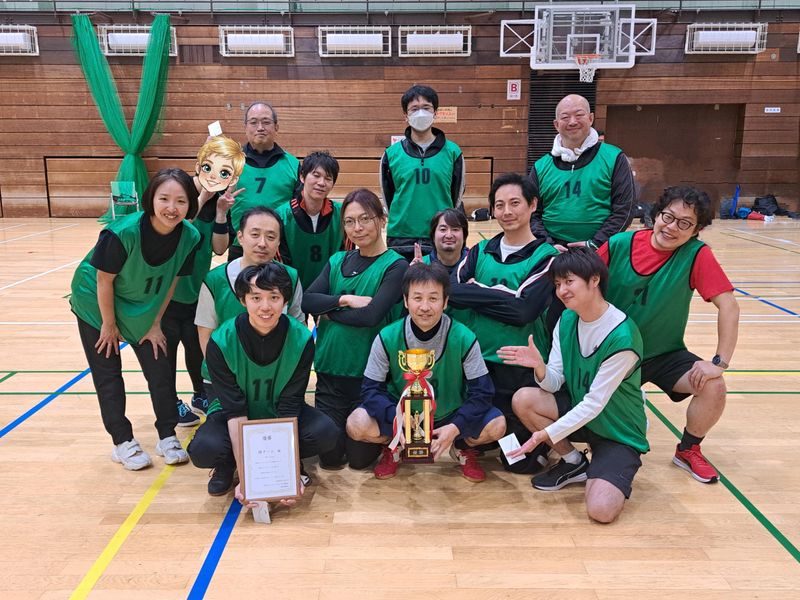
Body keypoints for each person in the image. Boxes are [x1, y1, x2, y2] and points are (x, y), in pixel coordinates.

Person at [598, 185, 739, 484]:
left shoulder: (696, 255)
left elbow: (729, 306)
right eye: (668, 216)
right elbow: (582, 287)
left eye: (685, 223)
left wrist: (719, 362)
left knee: (713, 386)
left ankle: (688, 449)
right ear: (656, 214)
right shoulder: (619, 245)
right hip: (611, 354)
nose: (672, 227)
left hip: (663, 354)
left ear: (697, 231)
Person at [498, 249, 648, 523]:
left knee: (601, 510)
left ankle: (606, 464)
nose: (562, 291)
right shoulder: (567, 319)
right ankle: (574, 463)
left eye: (569, 281)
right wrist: (539, 366)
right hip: (584, 417)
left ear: (594, 280)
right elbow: (555, 381)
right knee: (524, 399)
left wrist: (544, 435)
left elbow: (594, 404)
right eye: (557, 284)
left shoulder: (622, 337)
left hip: (617, 431)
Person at [70, 168, 201, 470]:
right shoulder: (122, 233)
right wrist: (109, 325)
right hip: (96, 302)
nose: (172, 208)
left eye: (181, 201)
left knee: (159, 367)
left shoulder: (190, 237)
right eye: (164, 198)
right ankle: (122, 441)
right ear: (150, 198)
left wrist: (154, 323)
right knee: (108, 372)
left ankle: (167, 435)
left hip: (140, 304)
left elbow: (171, 281)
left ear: (190, 204)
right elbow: (104, 280)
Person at [188, 263, 338, 496]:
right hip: (233, 415)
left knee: (326, 433)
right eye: (256, 298)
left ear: (285, 300)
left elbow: (290, 405)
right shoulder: (221, 341)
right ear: (243, 300)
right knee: (204, 449)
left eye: (274, 297)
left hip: (279, 412)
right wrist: (248, 481)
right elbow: (235, 411)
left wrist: (287, 472)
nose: (265, 307)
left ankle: (283, 462)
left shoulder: (301, 339)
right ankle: (229, 463)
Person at [347, 263, 505, 481]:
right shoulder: (387, 336)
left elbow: (482, 392)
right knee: (356, 423)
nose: (424, 307)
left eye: (433, 298)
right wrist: (397, 420)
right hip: (402, 414)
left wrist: (456, 427)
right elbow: (370, 390)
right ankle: (394, 446)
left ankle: (461, 447)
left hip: (449, 414)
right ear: (406, 301)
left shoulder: (464, 337)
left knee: (497, 425)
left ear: (445, 302)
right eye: (417, 298)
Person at [447, 173, 560, 474]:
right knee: (471, 434)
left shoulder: (547, 257)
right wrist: (507, 295)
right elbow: (453, 292)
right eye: (499, 205)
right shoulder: (479, 251)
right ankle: (484, 440)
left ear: (532, 205)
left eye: (514, 203)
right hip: (479, 363)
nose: (506, 212)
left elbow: (524, 312)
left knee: (521, 464)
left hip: (519, 367)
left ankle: (526, 440)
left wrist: (477, 291)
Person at [302, 188, 408, 470]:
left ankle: (399, 439)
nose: (357, 227)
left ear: (381, 219)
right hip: (330, 374)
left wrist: (328, 312)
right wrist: (344, 300)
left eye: (365, 219)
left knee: (359, 460)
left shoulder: (396, 266)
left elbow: (371, 316)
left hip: (370, 379)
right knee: (330, 458)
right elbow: (307, 300)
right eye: (349, 221)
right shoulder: (337, 260)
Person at [163, 137, 245, 426]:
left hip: (195, 291)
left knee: (196, 348)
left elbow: (220, 248)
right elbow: (177, 226)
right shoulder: (180, 193)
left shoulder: (219, 201)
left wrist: (220, 212)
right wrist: (203, 198)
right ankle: (169, 402)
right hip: (167, 293)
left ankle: (200, 394)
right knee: (166, 354)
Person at [529, 94, 635, 250]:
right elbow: (531, 213)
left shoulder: (614, 157)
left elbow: (624, 209)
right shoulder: (541, 166)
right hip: (552, 251)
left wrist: (596, 244)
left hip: (601, 250)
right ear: (556, 124)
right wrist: (547, 245)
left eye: (579, 115)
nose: (572, 122)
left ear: (591, 118)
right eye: (565, 117)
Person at [195, 206, 303, 357]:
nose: (262, 243)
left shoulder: (291, 276)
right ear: (240, 237)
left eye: (271, 237)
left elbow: (298, 327)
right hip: (225, 368)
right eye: (255, 235)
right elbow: (205, 332)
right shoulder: (214, 279)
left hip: (276, 368)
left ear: (279, 242)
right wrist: (218, 368)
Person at [380, 84, 465, 260]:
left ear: (435, 113)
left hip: (441, 236)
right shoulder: (391, 154)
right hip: (401, 237)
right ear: (406, 115)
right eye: (414, 109)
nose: (421, 113)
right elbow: (388, 197)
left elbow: (456, 197)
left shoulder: (453, 152)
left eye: (426, 108)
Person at [228, 101, 300, 260]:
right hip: (239, 246)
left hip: (280, 248)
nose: (260, 127)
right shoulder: (229, 163)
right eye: (253, 122)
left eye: (266, 122)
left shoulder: (293, 165)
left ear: (276, 127)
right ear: (245, 127)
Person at [277, 151, 346, 290]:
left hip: (331, 293)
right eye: (316, 175)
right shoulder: (281, 216)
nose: (321, 183)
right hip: (292, 291)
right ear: (302, 177)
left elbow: (346, 259)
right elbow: (280, 266)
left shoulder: (343, 214)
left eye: (328, 178)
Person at [410, 208, 469, 275]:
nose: (449, 235)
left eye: (455, 229)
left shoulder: (475, 264)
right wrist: (414, 277)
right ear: (433, 236)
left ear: (464, 235)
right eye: (443, 229)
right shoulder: (421, 265)